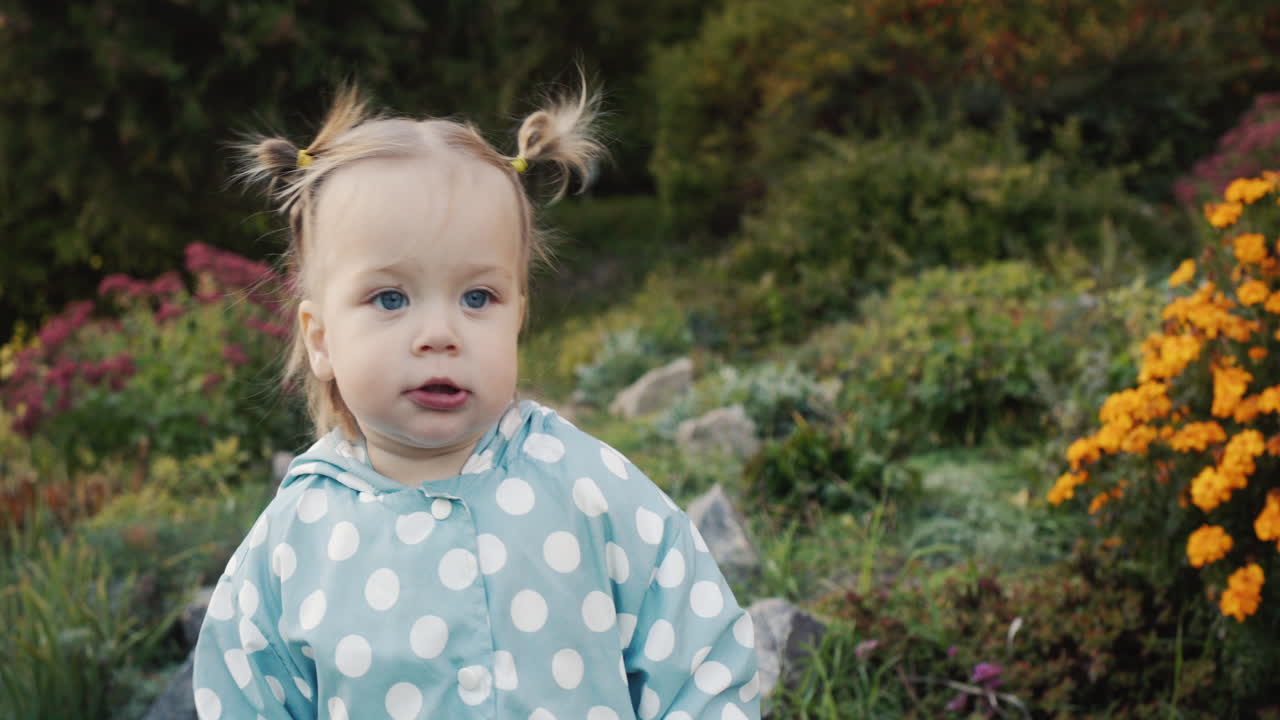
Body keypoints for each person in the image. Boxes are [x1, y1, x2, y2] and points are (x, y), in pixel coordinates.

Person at [192, 75, 760, 720]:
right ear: (321, 340)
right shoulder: (295, 540)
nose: (440, 334)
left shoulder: (585, 488)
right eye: (390, 299)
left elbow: (702, 655)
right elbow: (244, 699)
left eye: (477, 298)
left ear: (518, 314)